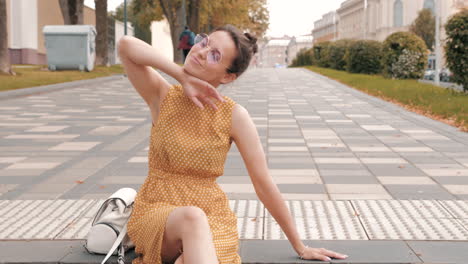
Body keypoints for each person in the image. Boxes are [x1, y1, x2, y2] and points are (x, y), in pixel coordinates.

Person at [117, 24, 349, 264]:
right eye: (205, 43)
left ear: (227, 76)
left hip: (212, 216)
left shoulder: (234, 115)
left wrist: (300, 246)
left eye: (215, 55)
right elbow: (126, 45)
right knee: (192, 218)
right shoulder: (162, 96)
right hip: (158, 209)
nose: (201, 52)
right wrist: (182, 76)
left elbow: (263, 183)